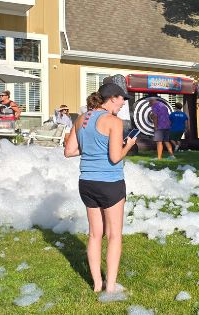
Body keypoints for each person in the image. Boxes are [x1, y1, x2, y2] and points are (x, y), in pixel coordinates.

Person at [63, 83, 136, 293]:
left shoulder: (81, 119)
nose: (123, 103)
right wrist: (128, 145)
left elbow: (69, 151)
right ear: (112, 98)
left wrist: (93, 149)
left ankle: (96, 285)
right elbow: (115, 157)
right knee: (114, 235)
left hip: (86, 183)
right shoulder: (113, 121)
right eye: (123, 99)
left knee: (95, 234)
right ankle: (110, 287)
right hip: (110, 183)